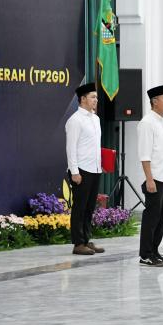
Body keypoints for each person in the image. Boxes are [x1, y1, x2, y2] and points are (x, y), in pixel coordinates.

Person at [138, 84, 163, 267]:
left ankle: (155, 250)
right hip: (155, 179)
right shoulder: (147, 123)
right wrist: (149, 179)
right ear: (155, 102)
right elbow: (145, 155)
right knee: (151, 217)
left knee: (162, 217)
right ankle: (145, 254)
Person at [65, 82, 104, 256]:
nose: (96, 100)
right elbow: (70, 148)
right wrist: (74, 171)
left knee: (89, 207)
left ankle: (87, 239)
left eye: (96, 97)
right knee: (80, 207)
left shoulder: (95, 119)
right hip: (81, 170)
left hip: (95, 168)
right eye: (93, 97)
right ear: (83, 99)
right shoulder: (75, 120)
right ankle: (78, 243)